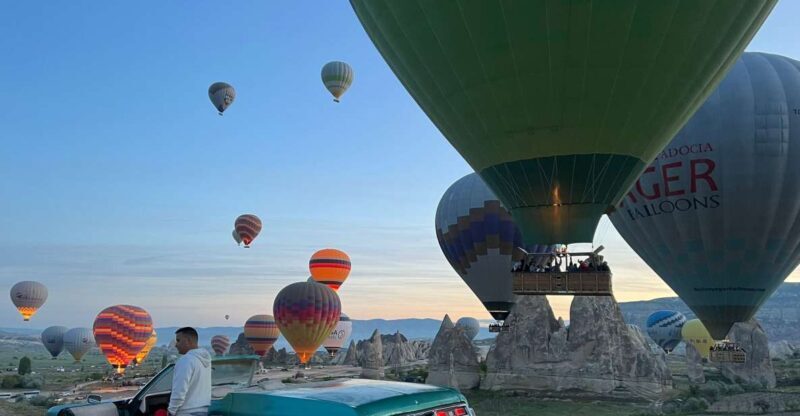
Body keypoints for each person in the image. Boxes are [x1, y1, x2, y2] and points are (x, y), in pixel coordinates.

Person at [168, 327, 212, 416]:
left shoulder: (186, 360)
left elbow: (179, 391)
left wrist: (171, 411)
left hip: (186, 412)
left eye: (178, 340)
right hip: (203, 411)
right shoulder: (205, 360)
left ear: (187, 340)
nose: (176, 345)